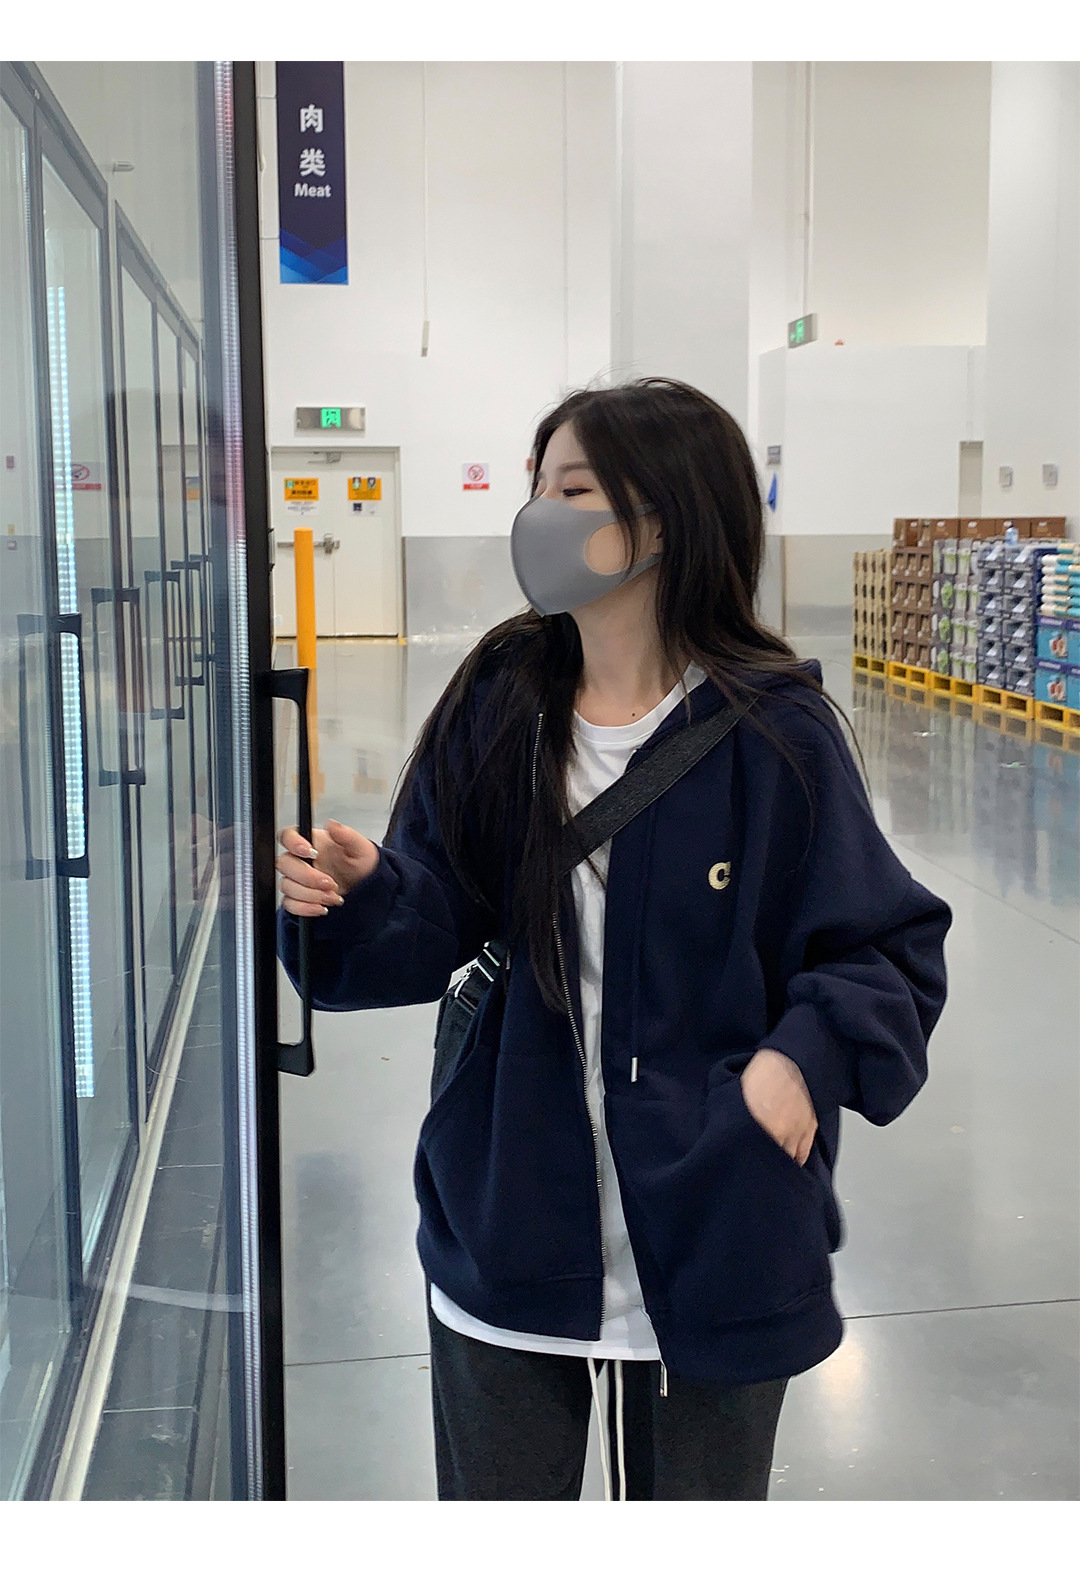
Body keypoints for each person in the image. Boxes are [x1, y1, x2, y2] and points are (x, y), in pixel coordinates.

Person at [277, 377, 951, 1501]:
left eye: (573, 489)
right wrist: (362, 891)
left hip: (715, 1224)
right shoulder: (499, 700)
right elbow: (436, 914)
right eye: (538, 486)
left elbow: (886, 948)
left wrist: (800, 1060)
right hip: (508, 1217)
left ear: (665, 517)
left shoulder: (774, 732)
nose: (539, 515)